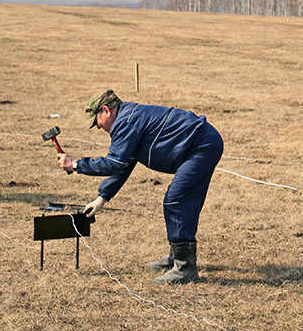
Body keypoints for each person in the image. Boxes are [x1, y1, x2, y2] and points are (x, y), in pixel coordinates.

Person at [56, 90, 223, 284]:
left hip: (201, 147)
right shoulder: (129, 117)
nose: (99, 127)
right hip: (202, 143)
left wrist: (76, 165)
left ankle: (185, 268)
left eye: (97, 121)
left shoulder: (125, 122)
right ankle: (176, 257)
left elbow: (114, 163)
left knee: (176, 200)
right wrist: (102, 197)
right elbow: (125, 163)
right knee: (182, 201)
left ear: (106, 110)